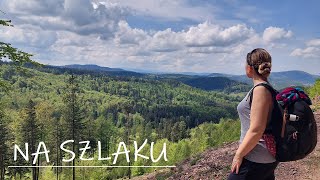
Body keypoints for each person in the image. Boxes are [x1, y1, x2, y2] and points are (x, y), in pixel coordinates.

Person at [228, 48, 279, 180]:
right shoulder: (265, 88)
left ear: (250, 68)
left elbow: (256, 129)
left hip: (255, 157)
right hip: (263, 157)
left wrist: (238, 155)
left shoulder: (260, 90)